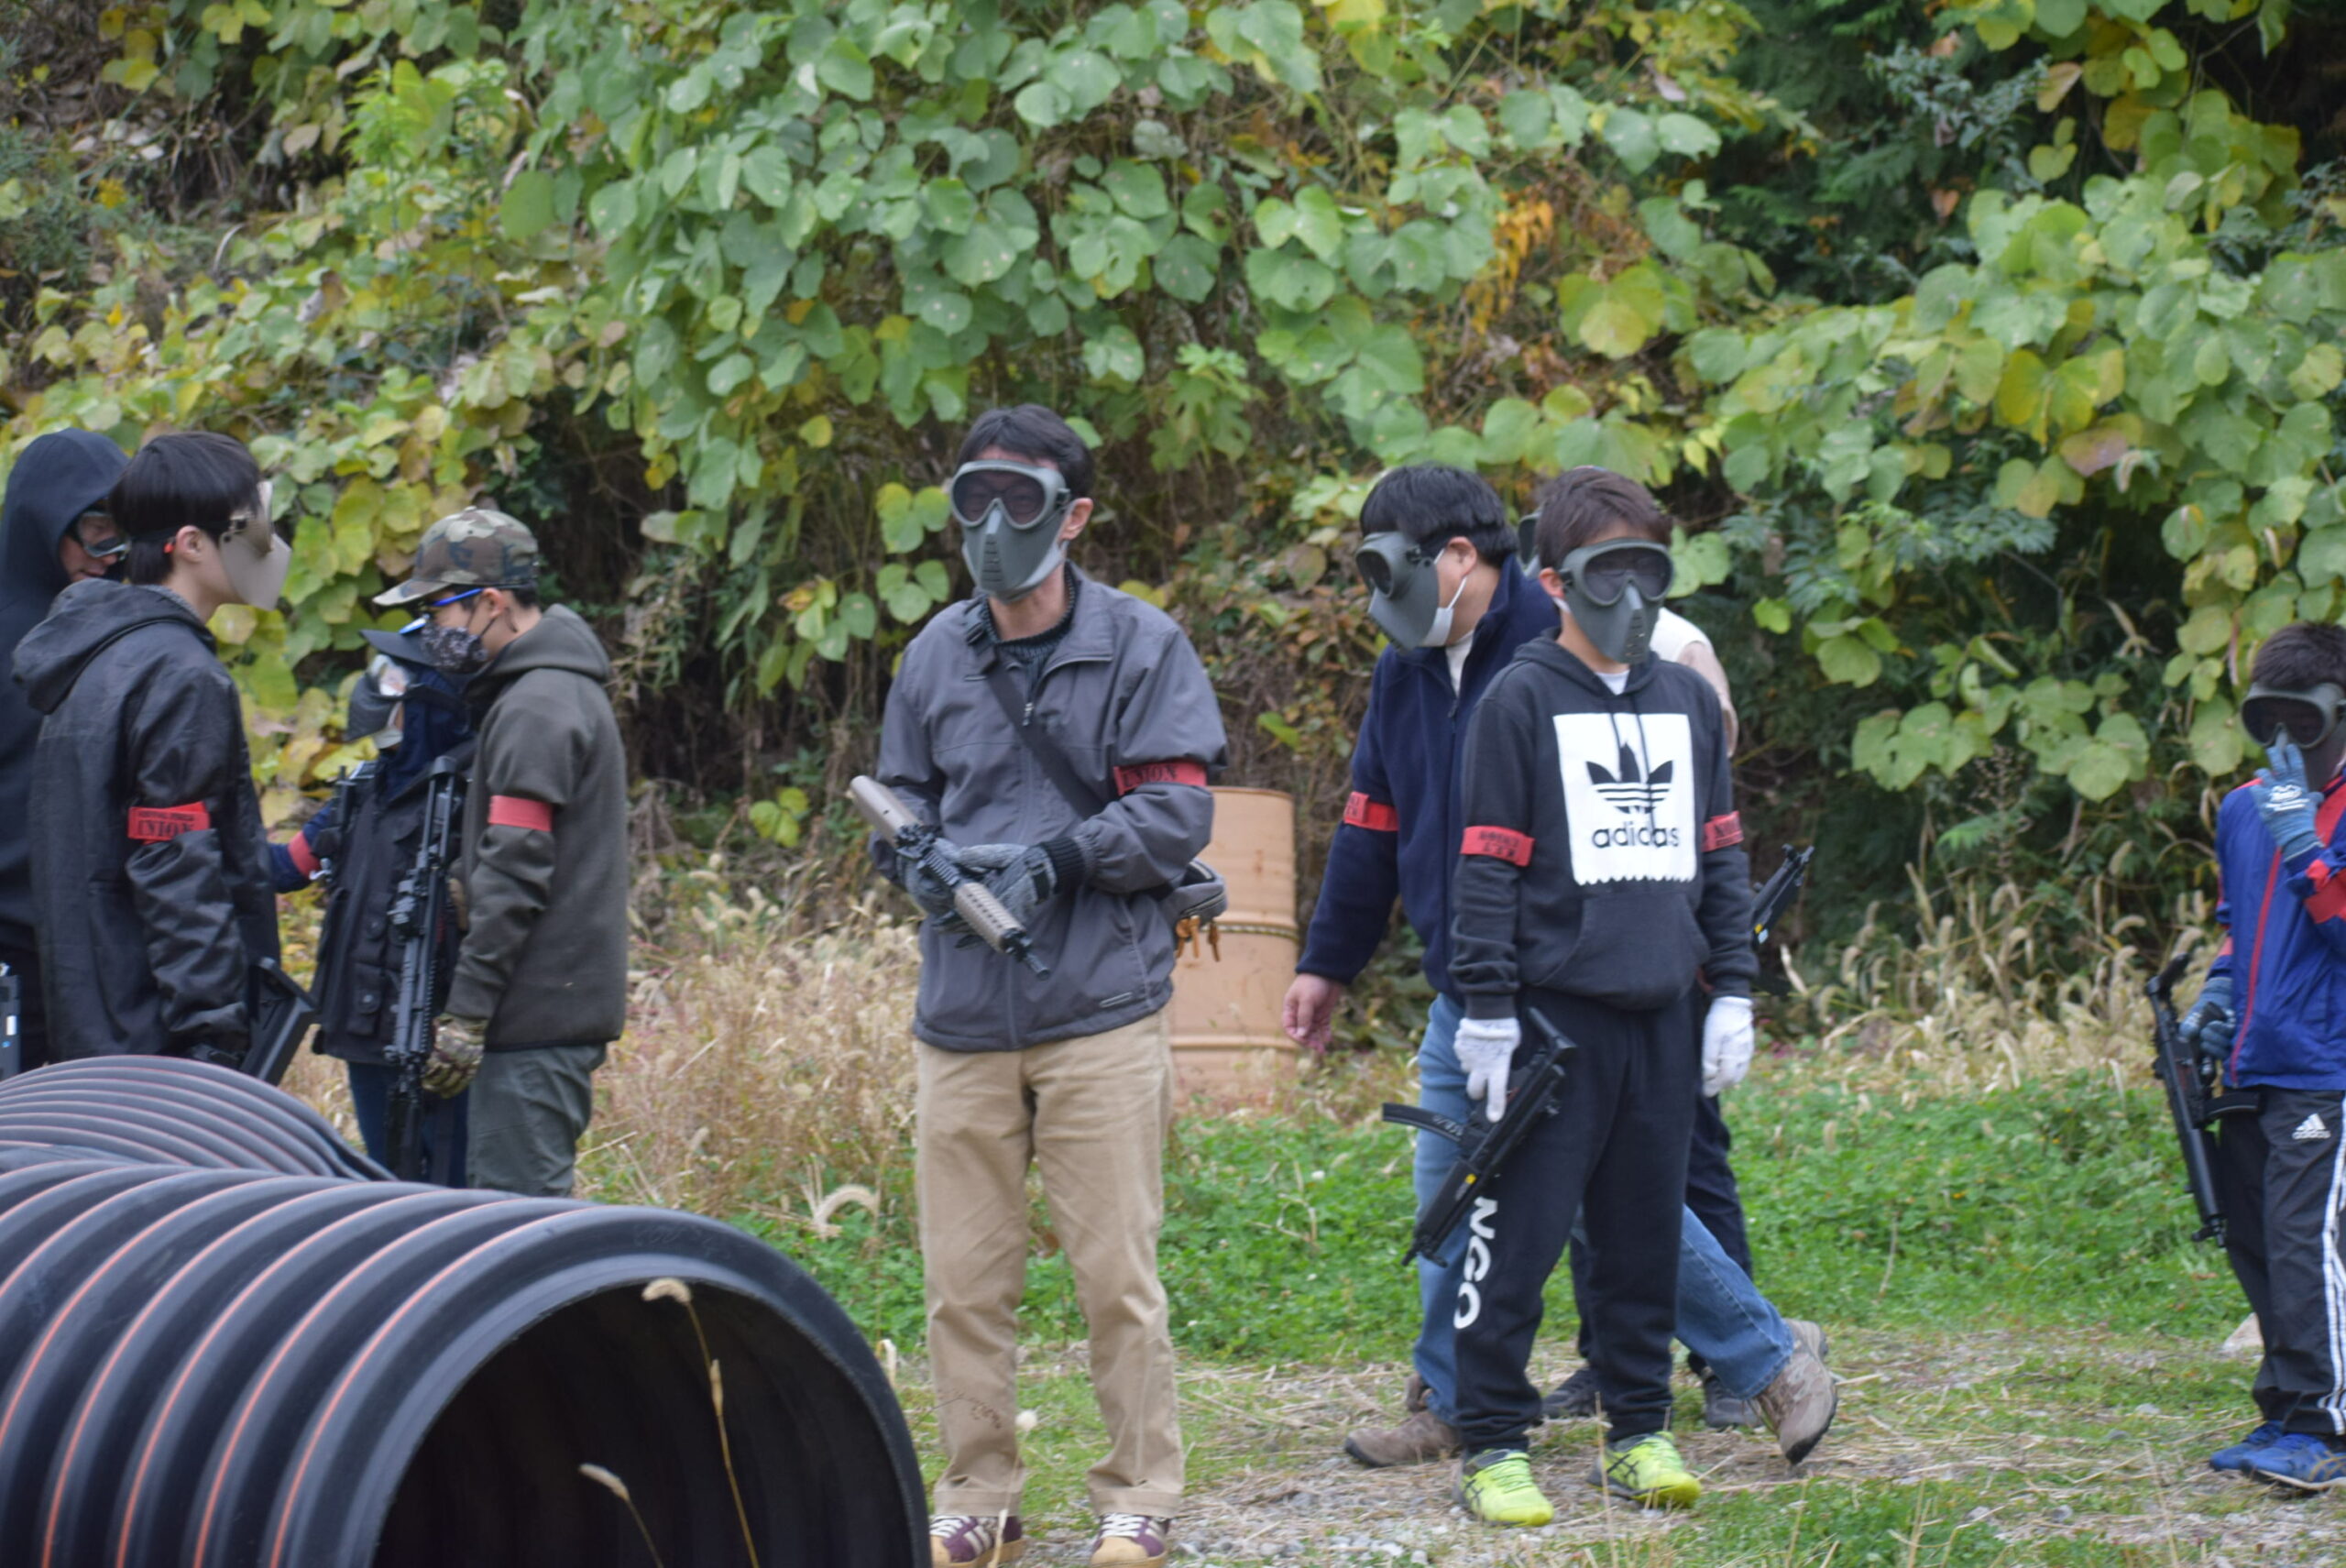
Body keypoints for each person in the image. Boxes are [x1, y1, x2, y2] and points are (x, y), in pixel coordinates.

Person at [1286, 466, 1831, 1476]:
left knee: (1616, 1204)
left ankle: (1768, 1360)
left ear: (1459, 556)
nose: (1380, 594)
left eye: (1389, 567)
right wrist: (1327, 962)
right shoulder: (1407, 671)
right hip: (1470, 991)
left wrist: (1714, 976)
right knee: (1453, 1197)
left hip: (1580, 996)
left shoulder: (1568, 646)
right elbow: (1372, 824)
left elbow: (1692, 796)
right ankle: (1455, 1400)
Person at [873, 404, 1226, 1568]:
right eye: (972, 496)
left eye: (1017, 500)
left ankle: (1140, 1494)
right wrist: (917, 859)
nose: (990, 524)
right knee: (961, 1283)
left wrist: (1059, 861)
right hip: (962, 1013)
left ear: (1072, 516)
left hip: (1097, 1008)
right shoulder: (933, 653)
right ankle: (979, 1494)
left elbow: (1176, 808)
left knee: (1115, 1276)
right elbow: (898, 799)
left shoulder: (1140, 644)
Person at [1441, 466, 1760, 1521]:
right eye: (1605, 571)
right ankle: (1491, 1441)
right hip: (1548, 1024)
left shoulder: (1687, 702)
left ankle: (1638, 1429)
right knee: (1516, 1239)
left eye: (1648, 570)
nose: (1630, 595)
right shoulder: (1518, 699)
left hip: (1661, 1017)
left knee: (1641, 1238)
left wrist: (1731, 989)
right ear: (1554, 582)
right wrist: (1488, 1007)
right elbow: (1484, 866)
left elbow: (1720, 852)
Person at [372, 508, 626, 1198]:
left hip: (532, 1018)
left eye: (437, 611)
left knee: (523, 1226)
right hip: (540, 1012)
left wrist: (467, 1015)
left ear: (491, 602)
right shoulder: (543, 690)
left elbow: (515, 871)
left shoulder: (537, 706)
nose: (430, 631)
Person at [12, 430, 286, 1061]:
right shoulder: (180, 674)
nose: (268, 546)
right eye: (251, 528)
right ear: (190, 544)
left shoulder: (99, 655)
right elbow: (175, 862)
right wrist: (214, 1038)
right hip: (159, 1041)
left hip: (99, 1022)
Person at [2178, 621, 2346, 1489]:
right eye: (2264, 719)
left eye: (2302, 719)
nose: (2283, 737)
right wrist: (2214, 997)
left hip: (2328, 1064)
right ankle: (2285, 1405)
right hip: (2252, 1062)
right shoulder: (2243, 809)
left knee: (2303, 1239)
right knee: (2256, 1237)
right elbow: (2238, 927)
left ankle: (2325, 1423)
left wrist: (2308, 849)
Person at [270, 628, 477, 1182]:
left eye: (397, 679)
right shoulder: (364, 789)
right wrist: (197, 831)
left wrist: (464, 1025)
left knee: (452, 1189)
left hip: (437, 1041)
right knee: (387, 1183)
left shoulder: (472, 795)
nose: (381, 690)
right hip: (363, 1031)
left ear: (433, 700)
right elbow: (285, 868)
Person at [0, 430, 130, 1069]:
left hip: (89, 951)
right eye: (95, 533)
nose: (108, 557)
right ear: (43, 521)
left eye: (122, 537)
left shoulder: (115, 631)